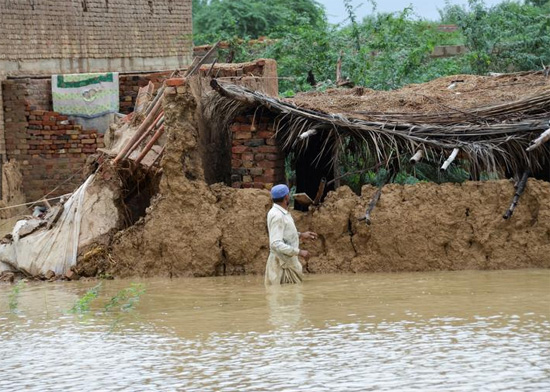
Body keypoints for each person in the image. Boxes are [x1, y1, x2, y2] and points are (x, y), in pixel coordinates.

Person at [265, 184, 318, 285]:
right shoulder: (278, 216)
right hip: (282, 266)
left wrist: (300, 235)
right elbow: (276, 243)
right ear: (286, 197)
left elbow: (283, 233)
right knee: (286, 297)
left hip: (286, 262)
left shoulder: (278, 212)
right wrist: (299, 252)